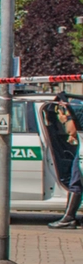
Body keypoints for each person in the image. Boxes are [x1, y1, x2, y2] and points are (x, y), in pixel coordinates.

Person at [49, 93, 83, 229]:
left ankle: (68, 218)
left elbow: (72, 130)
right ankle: (69, 217)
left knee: (75, 183)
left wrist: (65, 118)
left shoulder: (77, 107)